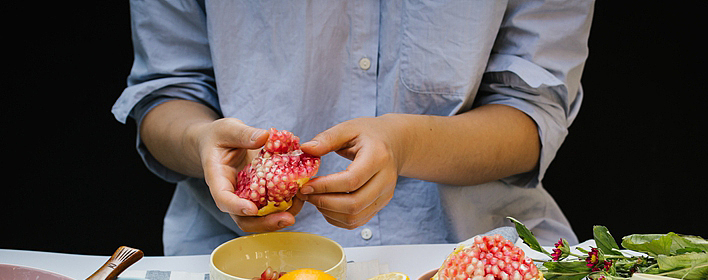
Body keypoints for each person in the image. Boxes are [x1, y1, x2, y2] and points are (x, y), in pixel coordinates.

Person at [113, 1, 594, 255]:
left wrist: (405, 146)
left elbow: (533, 113)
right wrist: (201, 141)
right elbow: (167, 90)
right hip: (239, 260)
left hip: (474, 256)